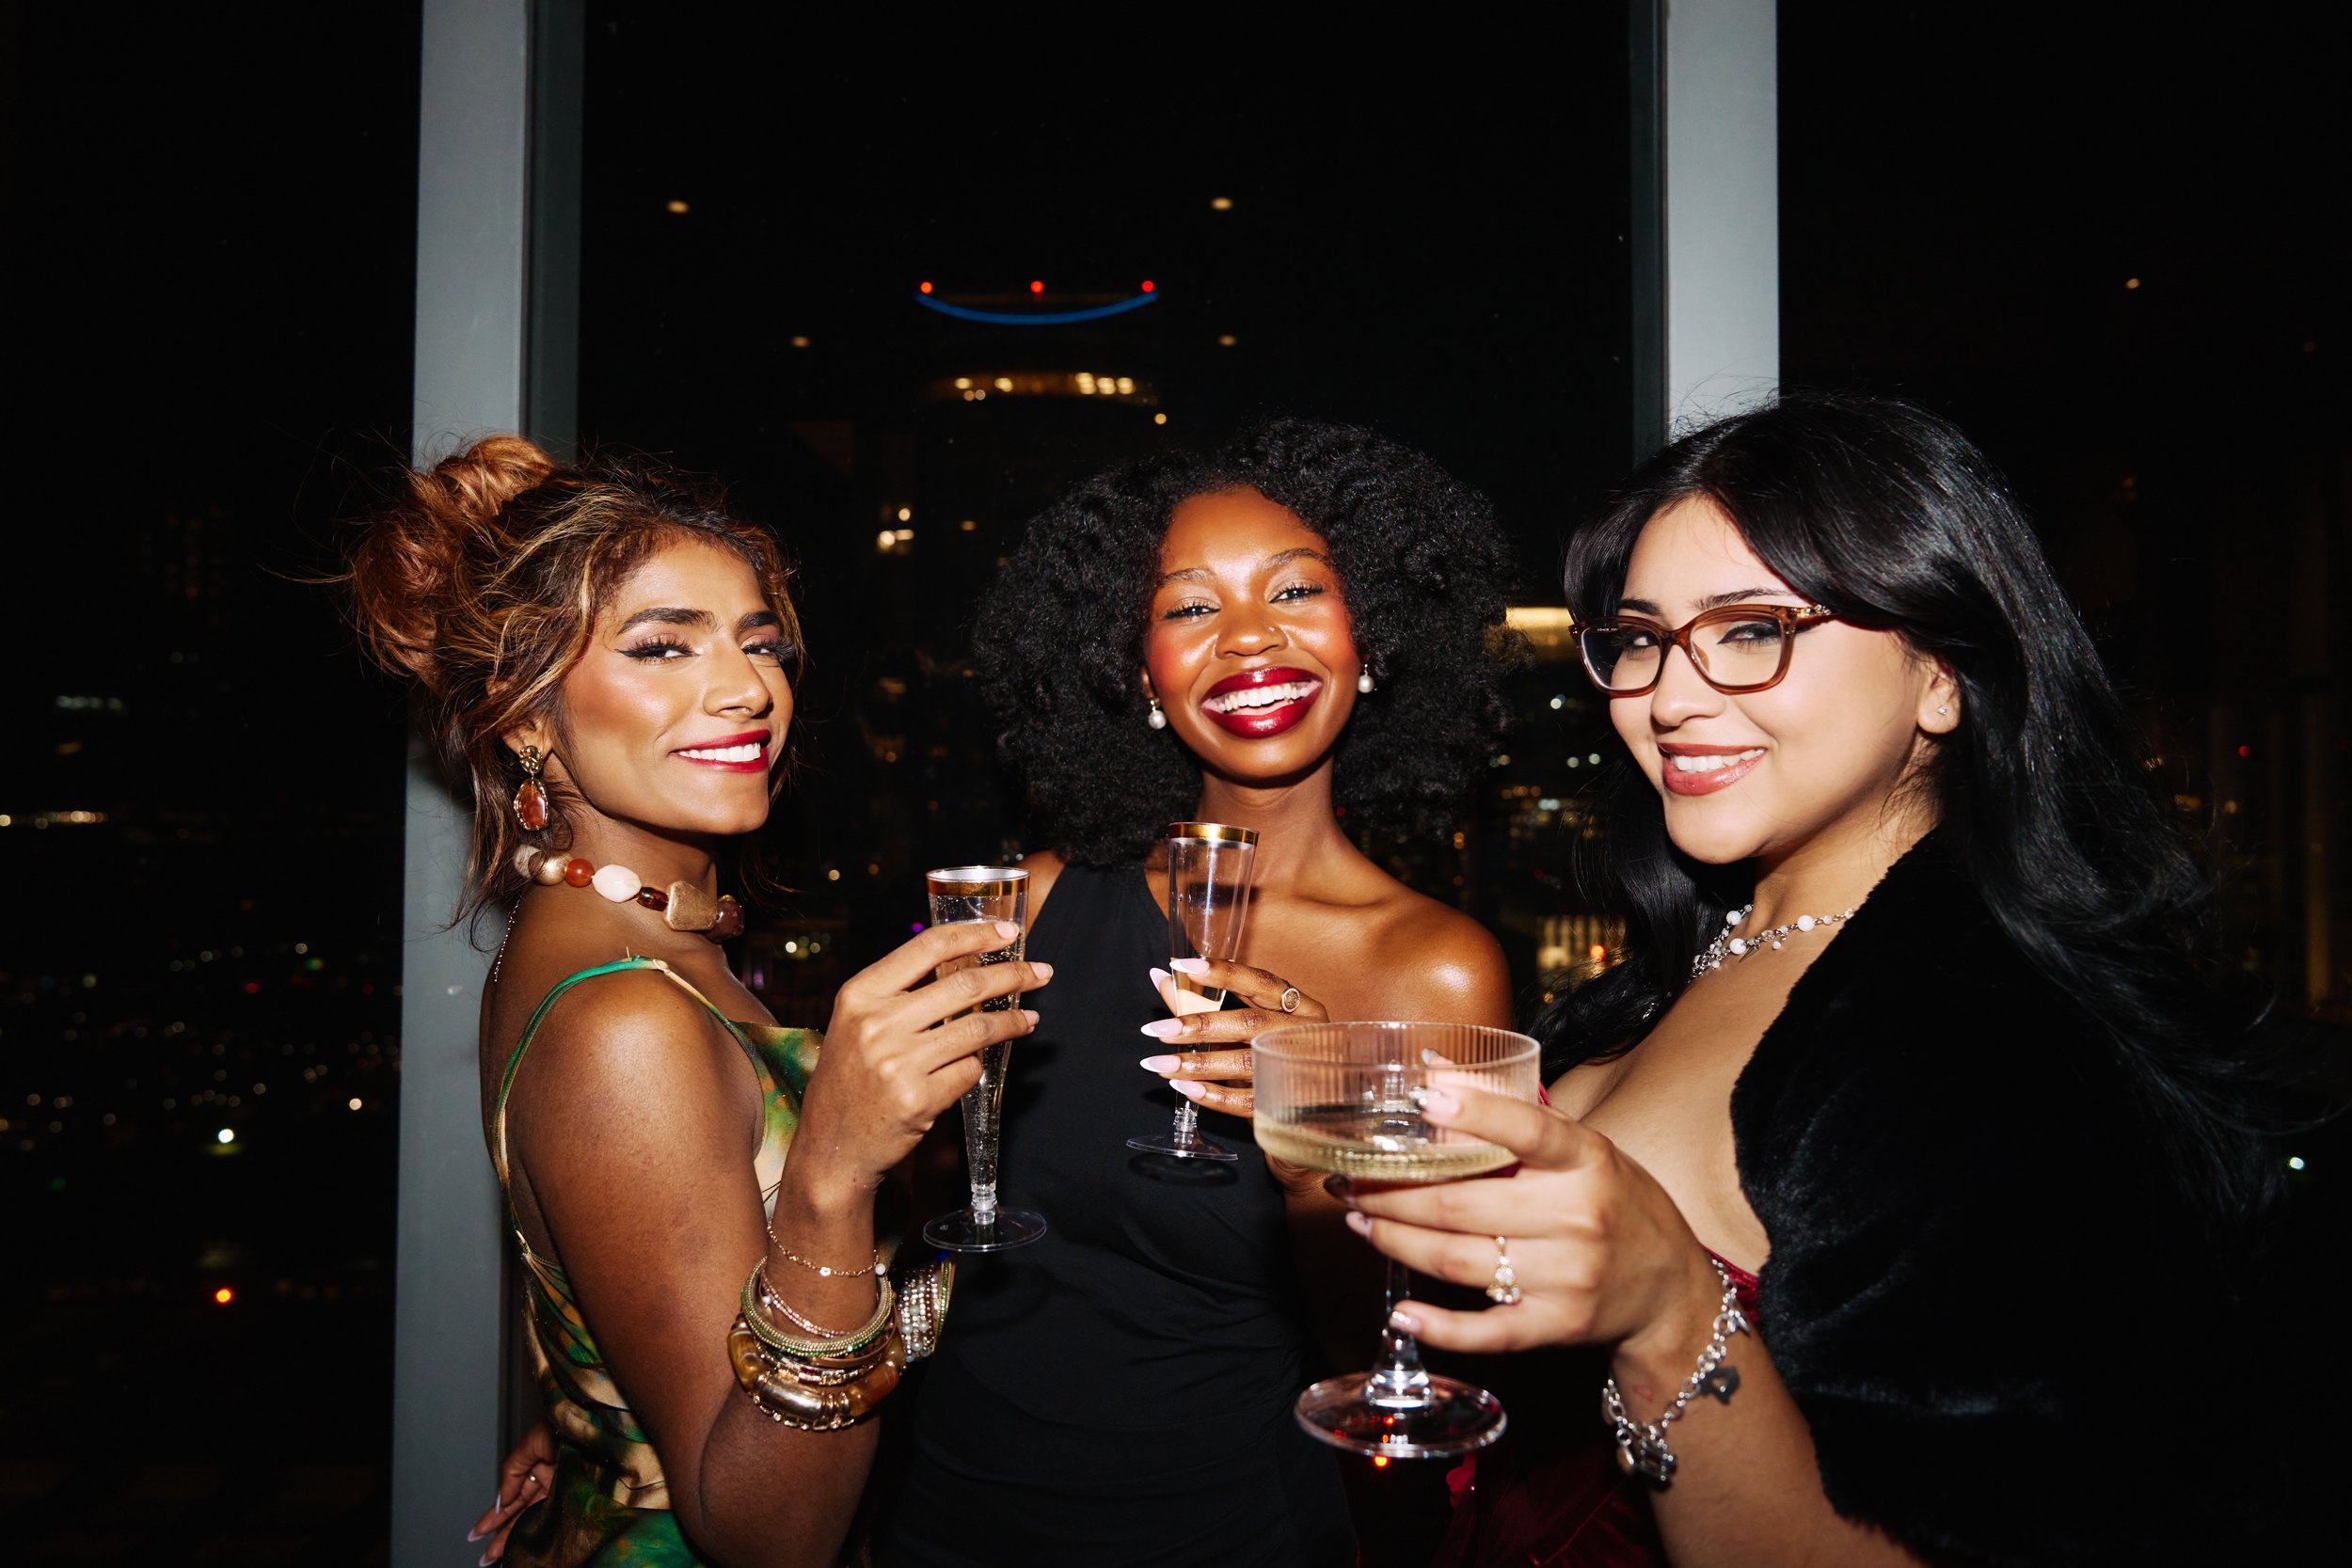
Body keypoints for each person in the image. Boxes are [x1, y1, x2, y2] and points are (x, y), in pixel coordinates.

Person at [1341, 393, 2267, 1564]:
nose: (1667, 697)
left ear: (1941, 676)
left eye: (1749, 629)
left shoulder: (1991, 1041)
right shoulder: (1696, 958)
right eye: (1639, 637)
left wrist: (1671, 1316)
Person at [350, 436, 1052, 1568]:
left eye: (759, 642)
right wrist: (832, 1177)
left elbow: (655, 1288)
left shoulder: (614, 939)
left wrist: (601, 1409)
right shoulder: (622, 1017)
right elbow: (765, 1534)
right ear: (525, 716)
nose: (748, 688)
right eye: (662, 645)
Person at [870, 418, 1522, 1566]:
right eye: (1187, 607)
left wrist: (1321, 1159)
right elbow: (915, 1230)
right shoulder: (1028, 906)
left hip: (1233, 1526)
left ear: (1371, 630)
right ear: (1136, 667)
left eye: (1297, 590)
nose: (1248, 639)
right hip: (950, 1520)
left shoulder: (1435, 965)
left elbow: (1419, 1364)